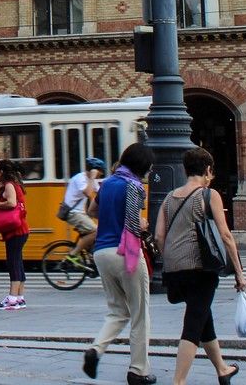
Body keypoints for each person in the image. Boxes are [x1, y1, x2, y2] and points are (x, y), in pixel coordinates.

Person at [155, 147, 246, 385]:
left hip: (175, 269)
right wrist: (239, 272)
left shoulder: (168, 197)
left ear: (186, 170)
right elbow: (225, 235)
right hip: (201, 269)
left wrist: (171, 258)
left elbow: (159, 237)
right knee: (194, 322)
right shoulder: (209, 194)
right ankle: (178, 381)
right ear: (207, 170)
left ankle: (222, 369)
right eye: (211, 172)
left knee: (203, 317)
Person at [83, 142, 155, 385]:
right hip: (125, 253)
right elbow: (134, 224)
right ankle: (138, 370)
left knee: (117, 310)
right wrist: (143, 225)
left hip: (101, 252)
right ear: (142, 166)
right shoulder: (134, 186)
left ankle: (96, 349)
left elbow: (92, 211)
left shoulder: (108, 183)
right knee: (139, 314)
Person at [0, 157, 29, 311]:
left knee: (13, 263)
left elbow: (12, 203)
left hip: (16, 230)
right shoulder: (14, 184)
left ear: (2, 171)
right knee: (18, 262)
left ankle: (12, 299)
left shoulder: (9, 185)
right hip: (21, 230)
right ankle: (19, 298)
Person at [64, 156, 106, 257]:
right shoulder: (80, 178)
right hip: (73, 213)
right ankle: (72, 255)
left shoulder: (91, 181)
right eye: (100, 171)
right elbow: (88, 193)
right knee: (95, 231)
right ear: (94, 170)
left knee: (95, 231)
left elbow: (101, 193)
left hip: (80, 213)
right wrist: (92, 177)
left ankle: (89, 256)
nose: (101, 174)